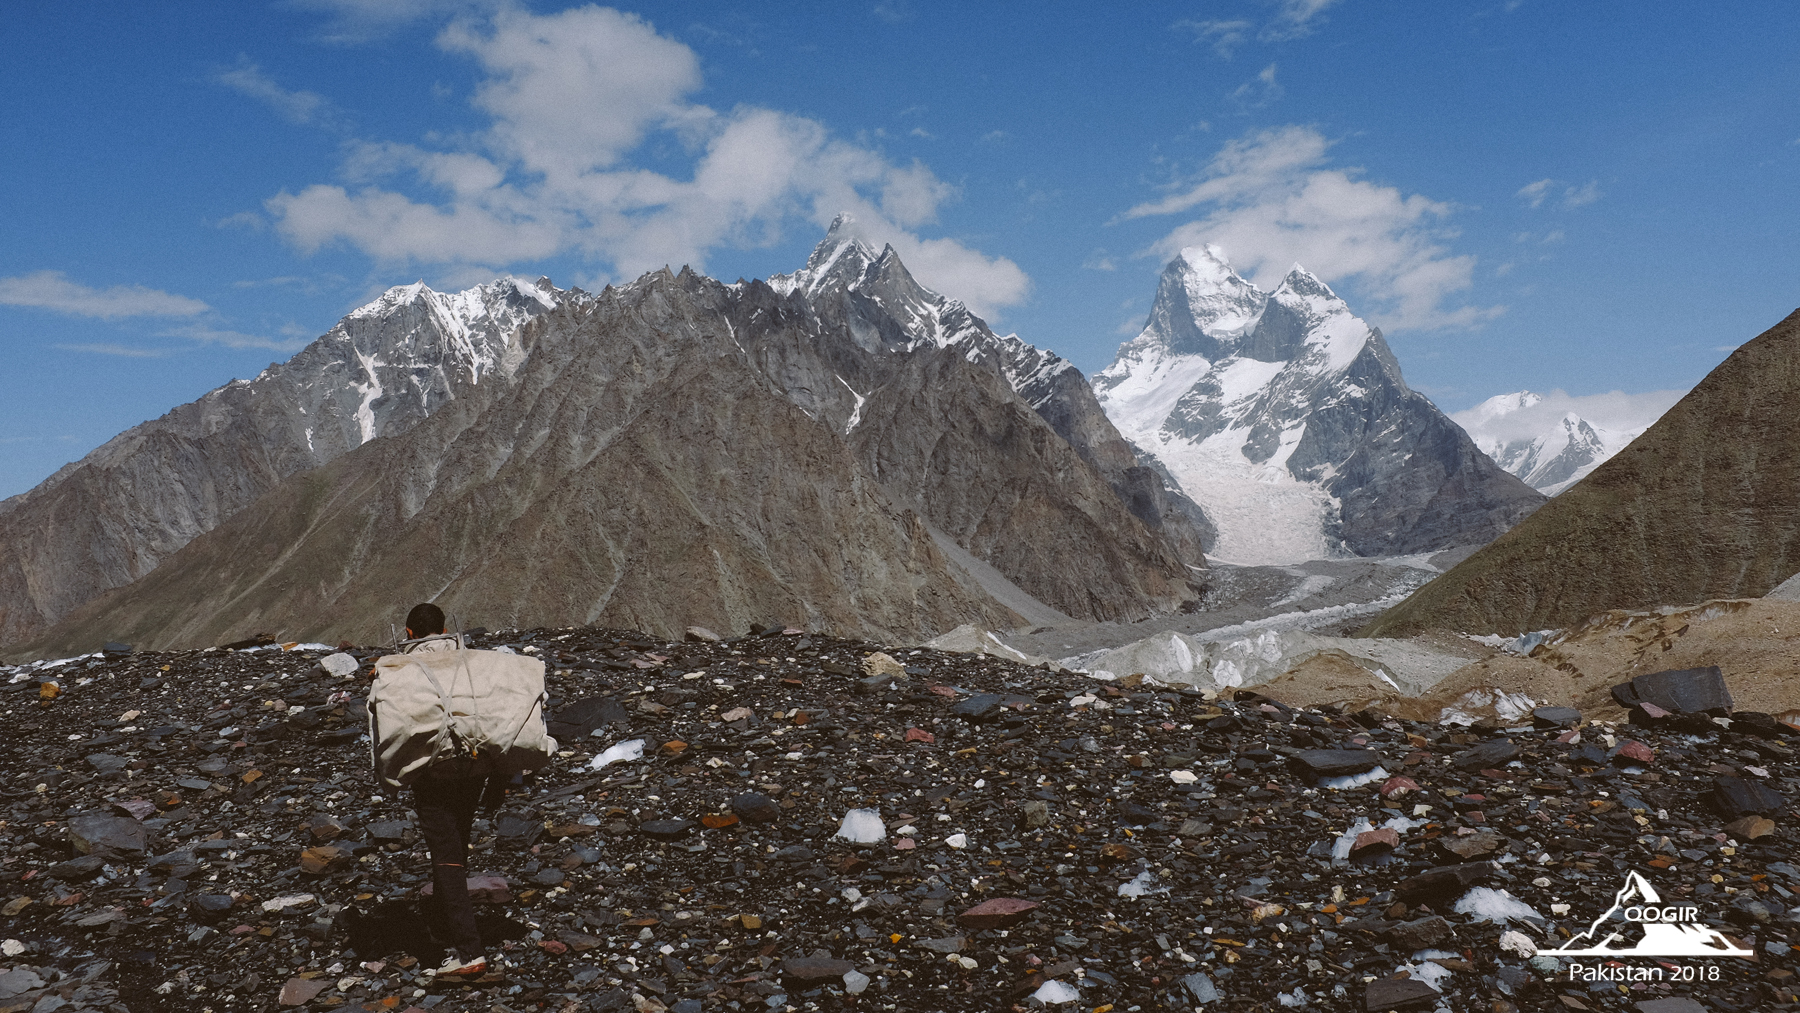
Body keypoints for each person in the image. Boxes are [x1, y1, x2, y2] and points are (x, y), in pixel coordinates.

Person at [399, 602, 504, 979]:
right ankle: (445, 925)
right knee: (456, 843)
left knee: (445, 853)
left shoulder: (402, 668)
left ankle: (468, 951)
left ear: (409, 633)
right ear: (444, 630)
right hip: (476, 767)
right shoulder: (471, 660)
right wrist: (500, 779)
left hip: (434, 772)